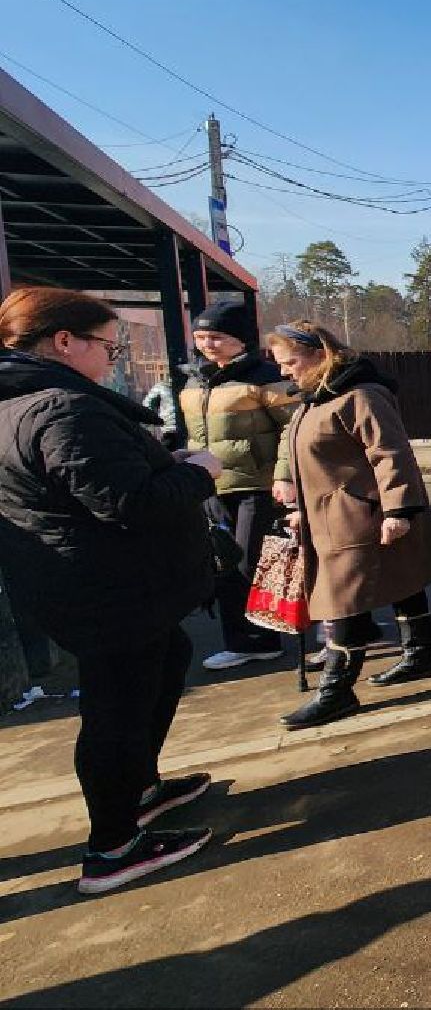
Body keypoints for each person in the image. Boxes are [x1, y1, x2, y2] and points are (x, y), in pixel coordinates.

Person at [0, 288, 221, 893]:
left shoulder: (24, 403)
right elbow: (131, 504)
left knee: (167, 659)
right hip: (109, 592)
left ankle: (138, 789)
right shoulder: (62, 410)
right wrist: (196, 473)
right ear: (64, 341)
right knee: (116, 710)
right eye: (107, 344)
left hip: (89, 586)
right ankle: (113, 845)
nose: (114, 358)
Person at [267, 322, 431, 729]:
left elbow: (391, 453)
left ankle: (336, 691)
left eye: (290, 361)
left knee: (340, 599)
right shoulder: (316, 397)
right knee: (401, 580)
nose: (284, 371)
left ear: (319, 354)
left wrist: (399, 510)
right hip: (334, 514)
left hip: (359, 515)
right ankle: (419, 656)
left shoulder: (361, 395)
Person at [180, 301, 300, 671]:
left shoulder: (264, 376)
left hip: (258, 485)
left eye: (217, 337)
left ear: (240, 339)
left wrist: (284, 475)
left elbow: (292, 429)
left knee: (250, 562)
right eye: (201, 337)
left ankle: (263, 637)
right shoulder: (195, 379)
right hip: (213, 487)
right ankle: (243, 640)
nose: (208, 345)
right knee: (223, 561)